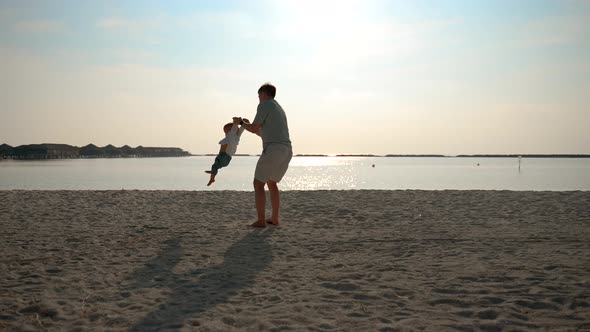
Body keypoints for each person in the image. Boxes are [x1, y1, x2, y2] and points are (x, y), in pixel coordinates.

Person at [241, 83, 293, 227]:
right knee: (271, 183)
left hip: (274, 150)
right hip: (286, 150)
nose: (258, 99)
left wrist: (240, 123)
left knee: (258, 184)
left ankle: (261, 220)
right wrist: (246, 125)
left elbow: (253, 128)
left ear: (264, 94)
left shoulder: (265, 105)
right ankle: (275, 218)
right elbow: (261, 132)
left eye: (259, 96)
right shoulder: (278, 108)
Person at [205, 117, 246, 186]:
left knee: (215, 166)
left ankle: (212, 178)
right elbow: (240, 131)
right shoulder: (236, 137)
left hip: (224, 156)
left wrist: (235, 122)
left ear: (229, 130)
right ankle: (213, 172)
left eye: (225, 131)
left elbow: (234, 129)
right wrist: (244, 124)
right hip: (225, 157)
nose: (225, 133)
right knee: (215, 165)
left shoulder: (231, 135)